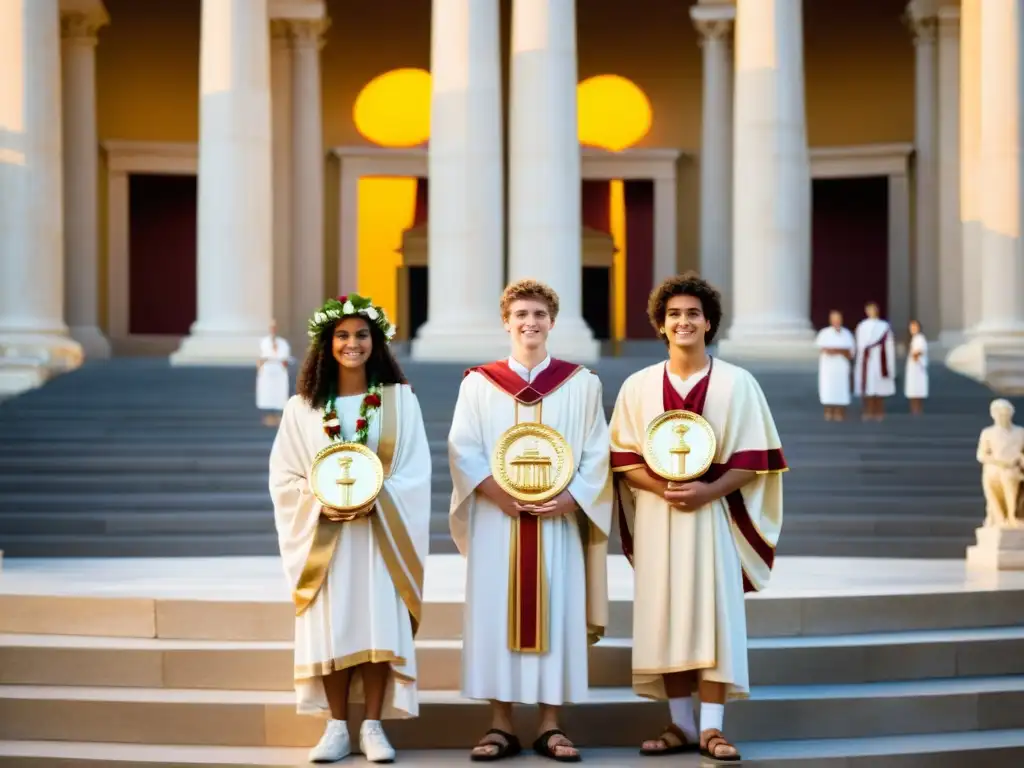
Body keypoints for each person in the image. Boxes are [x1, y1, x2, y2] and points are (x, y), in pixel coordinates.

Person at [608, 272, 785, 764]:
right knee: (666, 615)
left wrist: (708, 490)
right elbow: (621, 458)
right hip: (660, 518)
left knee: (713, 616)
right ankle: (680, 724)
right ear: (660, 326)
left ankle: (712, 728)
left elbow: (755, 459)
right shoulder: (638, 385)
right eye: (673, 315)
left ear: (709, 323)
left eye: (692, 314)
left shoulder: (737, 383)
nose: (683, 321)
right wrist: (662, 487)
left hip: (715, 518)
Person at [448, 279, 612, 763]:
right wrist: (496, 494)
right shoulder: (479, 382)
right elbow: (463, 447)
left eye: (539, 314)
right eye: (521, 314)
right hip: (497, 520)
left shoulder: (581, 383)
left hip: (556, 520)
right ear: (506, 321)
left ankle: (551, 724)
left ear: (552, 322)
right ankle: (500, 724)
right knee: (496, 612)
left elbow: (597, 451)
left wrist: (573, 498)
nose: (530, 323)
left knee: (556, 612)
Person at [269, 293, 431, 763]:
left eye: (362, 334)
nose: (352, 343)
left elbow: (416, 469)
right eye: (342, 335)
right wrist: (322, 502)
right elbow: (284, 476)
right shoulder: (302, 408)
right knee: (332, 627)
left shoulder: (400, 402)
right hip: (326, 537)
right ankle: (337, 726)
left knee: (377, 622)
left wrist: (374, 497)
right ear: (326, 342)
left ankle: (374, 726)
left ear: (376, 342)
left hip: (380, 533)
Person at [853, 301, 896, 421]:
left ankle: (879, 411)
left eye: (874, 309)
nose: (872, 311)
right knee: (867, 386)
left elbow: (889, 344)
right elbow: (860, 344)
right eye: (869, 309)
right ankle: (868, 411)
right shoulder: (862, 326)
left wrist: (889, 362)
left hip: (880, 359)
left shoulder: (884, 326)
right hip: (866, 360)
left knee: (879, 386)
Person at [815, 310, 855, 421]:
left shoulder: (847, 334)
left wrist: (836, 350)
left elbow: (850, 352)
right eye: (834, 319)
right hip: (828, 368)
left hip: (842, 367)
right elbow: (824, 349)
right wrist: (839, 350)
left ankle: (840, 412)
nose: (837, 321)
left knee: (841, 389)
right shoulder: (824, 333)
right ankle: (828, 411)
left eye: (838, 319)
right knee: (828, 388)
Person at [257, 319, 292, 426]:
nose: (273, 330)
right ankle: (269, 417)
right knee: (268, 393)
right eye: (271, 328)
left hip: (279, 371)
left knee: (279, 394)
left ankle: (278, 416)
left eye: (274, 328)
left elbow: (285, 357)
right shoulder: (263, 342)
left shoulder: (283, 343)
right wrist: (260, 367)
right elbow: (260, 357)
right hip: (267, 371)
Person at [904, 319, 929, 414]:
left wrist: (915, 356)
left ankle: (917, 410)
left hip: (918, 367)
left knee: (918, 389)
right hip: (913, 368)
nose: (913, 329)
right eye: (911, 327)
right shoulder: (914, 339)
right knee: (913, 390)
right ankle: (914, 409)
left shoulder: (920, 338)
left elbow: (920, 350)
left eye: (915, 327)